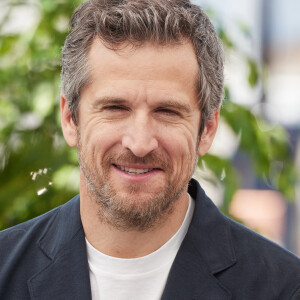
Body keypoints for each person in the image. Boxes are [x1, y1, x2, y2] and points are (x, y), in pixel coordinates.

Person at [1, 0, 300, 299]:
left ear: (207, 129)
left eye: (167, 111)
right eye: (115, 108)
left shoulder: (285, 287)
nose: (140, 143)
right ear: (70, 119)